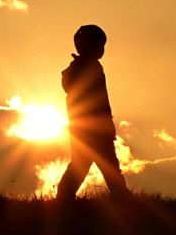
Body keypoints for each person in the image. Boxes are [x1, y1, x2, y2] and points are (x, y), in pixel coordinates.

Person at [56, 24, 130, 201]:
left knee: (85, 165)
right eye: (99, 45)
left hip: (86, 128)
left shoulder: (87, 67)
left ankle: (64, 197)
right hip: (91, 128)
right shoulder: (86, 68)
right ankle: (122, 198)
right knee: (105, 165)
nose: (101, 50)